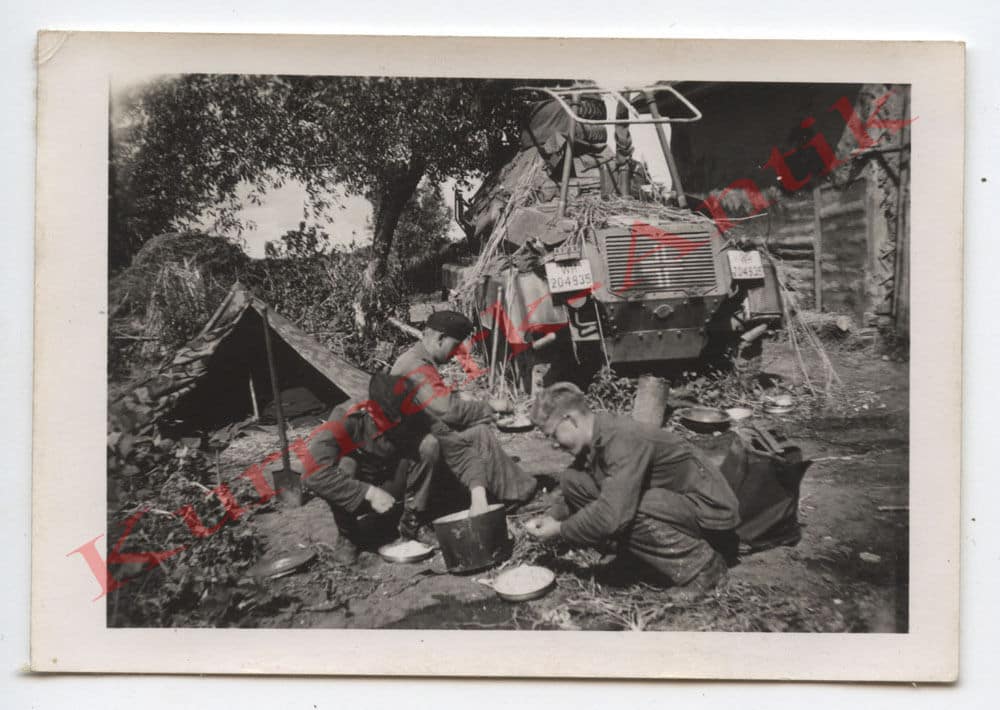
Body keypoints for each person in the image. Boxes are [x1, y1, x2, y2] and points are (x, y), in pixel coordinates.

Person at [524, 382, 740, 600]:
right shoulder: (597, 436)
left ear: (570, 419)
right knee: (573, 480)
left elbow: (612, 516)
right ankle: (638, 557)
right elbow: (576, 488)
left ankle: (704, 568)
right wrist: (552, 516)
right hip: (673, 503)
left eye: (552, 435)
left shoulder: (621, 439)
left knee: (622, 510)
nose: (554, 445)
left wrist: (561, 530)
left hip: (708, 511)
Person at [390, 310, 538, 516]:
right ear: (441, 338)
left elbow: (433, 403)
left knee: (477, 432)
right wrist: (490, 408)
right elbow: (446, 411)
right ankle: (518, 496)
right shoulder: (416, 365)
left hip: (417, 436)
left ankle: (513, 492)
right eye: (455, 345)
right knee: (480, 435)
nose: (456, 352)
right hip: (412, 451)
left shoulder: (415, 358)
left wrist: (458, 396)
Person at [289, 373, 439, 565]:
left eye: (401, 418)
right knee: (346, 465)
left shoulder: (408, 408)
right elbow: (311, 473)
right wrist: (368, 492)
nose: (398, 423)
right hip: (362, 483)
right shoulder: (346, 417)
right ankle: (348, 535)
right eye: (390, 418)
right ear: (371, 409)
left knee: (430, 445)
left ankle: (412, 523)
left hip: (396, 476)